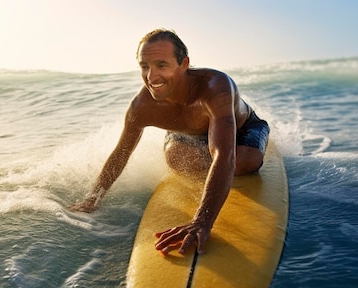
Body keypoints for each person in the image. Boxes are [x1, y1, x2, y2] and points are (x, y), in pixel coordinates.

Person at [70, 29, 270, 256]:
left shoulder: (216, 87)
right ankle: (219, 174)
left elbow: (224, 154)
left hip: (243, 128)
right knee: (176, 160)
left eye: (161, 65)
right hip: (191, 137)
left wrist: (201, 221)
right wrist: (93, 198)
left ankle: (226, 170)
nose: (151, 77)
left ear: (184, 64)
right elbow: (121, 153)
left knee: (245, 162)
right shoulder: (141, 106)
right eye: (144, 66)